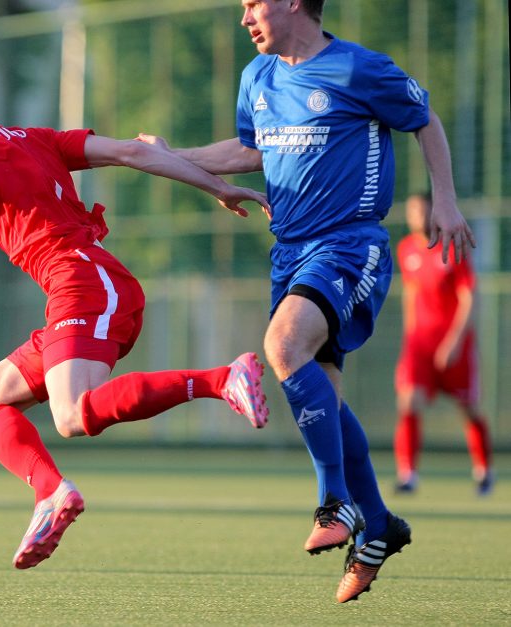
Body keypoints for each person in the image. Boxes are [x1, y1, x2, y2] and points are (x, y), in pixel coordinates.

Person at [0, 66, 271, 571]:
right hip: (81, 285)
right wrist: (219, 187)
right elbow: (132, 151)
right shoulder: (35, 138)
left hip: (84, 282)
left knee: (71, 414)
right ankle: (51, 494)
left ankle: (222, 379)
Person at [140, 0, 475, 603]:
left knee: (282, 346)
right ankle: (379, 525)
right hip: (289, 253)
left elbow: (424, 118)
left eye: (252, 4)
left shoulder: (358, 68)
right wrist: (172, 154)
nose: (244, 17)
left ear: (293, 3)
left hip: (349, 243)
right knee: (321, 392)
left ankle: (335, 503)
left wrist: (444, 200)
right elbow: (250, 151)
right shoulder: (257, 78)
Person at [394, 193, 493, 496]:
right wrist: (410, 339)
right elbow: (411, 294)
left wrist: (455, 341)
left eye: (422, 210)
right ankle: (408, 475)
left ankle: (484, 471)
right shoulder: (406, 248)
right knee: (408, 402)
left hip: (453, 343)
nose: (416, 217)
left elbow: (468, 297)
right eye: (411, 211)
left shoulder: (453, 244)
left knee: (469, 408)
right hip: (419, 344)